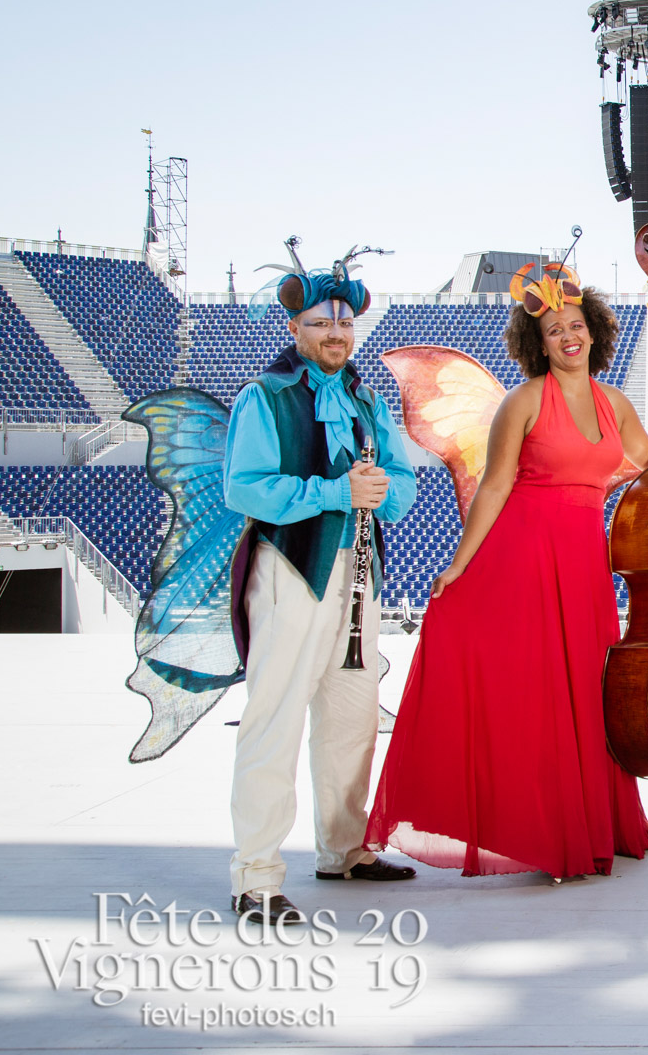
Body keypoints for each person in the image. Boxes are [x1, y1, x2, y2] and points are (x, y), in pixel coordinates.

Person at [364, 263, 648, 881]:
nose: (568, 337)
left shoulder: (614, 402)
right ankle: (545, 832)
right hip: (522, 554)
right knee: (535, 693)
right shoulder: (523, 401)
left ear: (596, 331)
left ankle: (588, 824)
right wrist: (458, 565)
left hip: (584, 558)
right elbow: (495, 486)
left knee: (585, 692)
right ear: (539, 342)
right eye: (554, 330)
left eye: (576, 325)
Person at [222, 259, 420, 926]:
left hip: (358, 574)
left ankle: (344, 849)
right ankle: (255, 875)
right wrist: (334, 492)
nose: (337, 331)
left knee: (350, 717)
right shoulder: (265, 396)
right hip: (290, 571)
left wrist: (381, 489)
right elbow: (243, 487)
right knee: (275, 717)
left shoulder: (367, 400)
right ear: (296, 328)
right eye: (322, 322)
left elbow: (402, 481)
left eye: (344, 320)